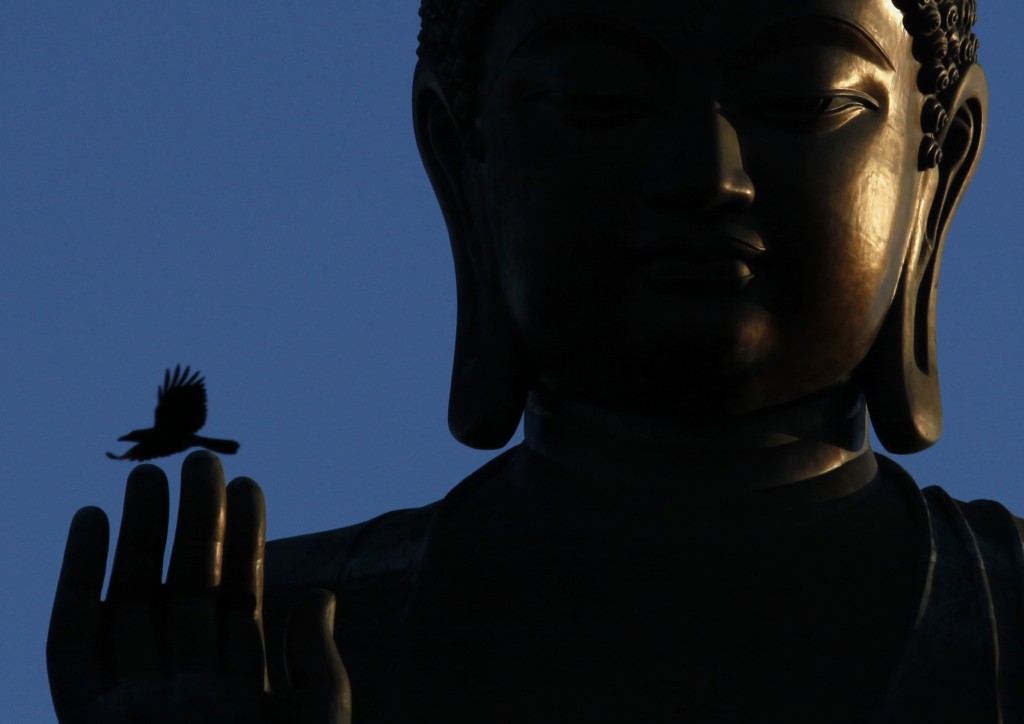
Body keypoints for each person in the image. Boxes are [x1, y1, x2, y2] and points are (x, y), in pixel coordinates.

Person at [48, 0, 1017, 721]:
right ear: (462, 158)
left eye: (802, 99)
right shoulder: (266, 639)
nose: (703, 175)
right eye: (595, 101)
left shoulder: (1001, 618)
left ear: (940, 162)